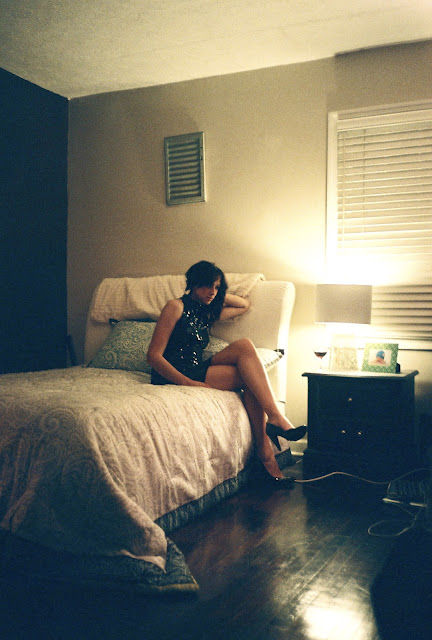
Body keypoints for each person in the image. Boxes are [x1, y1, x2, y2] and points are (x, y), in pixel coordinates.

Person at [147, 260, 306, 486]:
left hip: (195, 366)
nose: (212, 292)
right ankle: (267, 455)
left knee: (245, 348)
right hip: (174, 373)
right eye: (207, 286)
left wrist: (218, 293)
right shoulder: (175, 306)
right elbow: (153, 357)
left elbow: (244, 305)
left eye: (216, 287)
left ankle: (274, 422)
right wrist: (187, 382)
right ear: (193, 284)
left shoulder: (206, 312)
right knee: (251, 380)